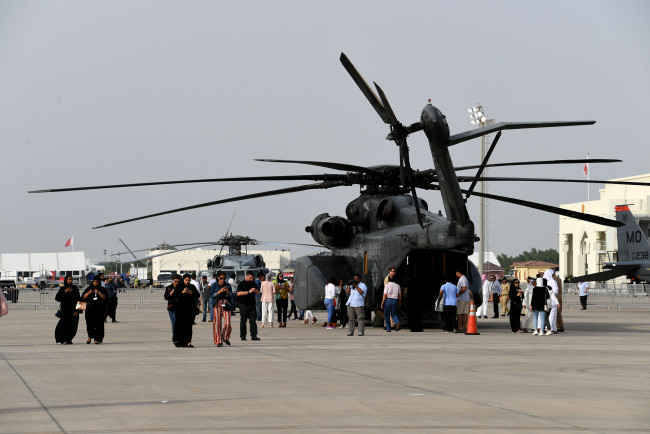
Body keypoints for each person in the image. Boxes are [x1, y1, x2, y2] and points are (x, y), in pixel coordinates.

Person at [172, 274, 200, 347]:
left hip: (190, 310)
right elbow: (174, 295)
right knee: (179, 325)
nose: (187, 282)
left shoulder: (192, 287)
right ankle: (178, 341)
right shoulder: (179, 286)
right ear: (183, 280)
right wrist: (182, 292)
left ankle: (188, 342)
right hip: (180, 310)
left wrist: (192, 293)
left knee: (189, 326)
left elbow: (197, 295)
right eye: (186, 280)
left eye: (188, 280)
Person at [81, 276, 109, 344]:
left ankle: (97, 339)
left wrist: (99, 293)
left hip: (99, 310)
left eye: (97, 282)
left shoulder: (102, 289)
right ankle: (90, 337)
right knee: (89, 324)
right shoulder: (89, 288)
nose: (95, 283)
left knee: (99, 325)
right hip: (90, 310)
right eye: (94, 281)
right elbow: (82, 297)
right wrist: (88, 293)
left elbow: (105, 297)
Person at [54, 275, 81, 344]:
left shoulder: (75, 288)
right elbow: (57, 298)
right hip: (65, 311)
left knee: (73, 326)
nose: (70, 281)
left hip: (74, 311)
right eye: (69, 279)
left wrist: (77, 310)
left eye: (71, 279)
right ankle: (63, 339)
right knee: (64, 325)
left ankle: (69, 339)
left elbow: (79, 300)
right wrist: (65, 292)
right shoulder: (63, 289)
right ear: (66, 280)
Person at [236, 271, 260, 341]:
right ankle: (243, 336)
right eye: (250, 278)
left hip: (252, 304)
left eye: (252, 278)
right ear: (246, 276)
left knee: (253, 320)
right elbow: (238, 293)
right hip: (243, 304)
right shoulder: (241, 283)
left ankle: (254, 335)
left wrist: (256, 291)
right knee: (243, 320)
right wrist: (248, 292)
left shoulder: (253, 283)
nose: (251, 279)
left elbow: (258, 293)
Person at [210, 271, 232, 347]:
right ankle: (218, 340)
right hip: (217, 303)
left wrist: (228, 292)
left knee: (228, 323)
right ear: (218, 278)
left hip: (226, 304)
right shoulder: (214, 285)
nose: (222, 280)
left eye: (224, 278)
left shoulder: (228, 285)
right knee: (217, 323)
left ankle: (225, 337)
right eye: (221, 278)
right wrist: (219, 291)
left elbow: (231, 295)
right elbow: (212, 296)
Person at [164, 275, 183, 339]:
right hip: (172, 308)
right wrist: (170, 294)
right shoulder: (169, 288)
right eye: (175, 281)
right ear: (173, 280)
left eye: (178, 282)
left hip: (180, 307)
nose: (177, 283)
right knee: (174, 323)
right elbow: (166, 297)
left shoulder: (182, 288)